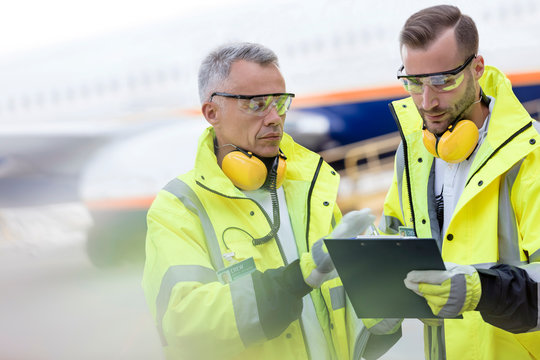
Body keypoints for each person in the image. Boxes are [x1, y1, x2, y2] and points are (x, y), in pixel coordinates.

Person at [141, 42, 382, 360]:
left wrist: (384, 312)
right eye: (256, 104)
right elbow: (185, 323)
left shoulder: (309, 188)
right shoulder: (180, 207)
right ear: (212, 113)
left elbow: (343, 312)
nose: (274, 118)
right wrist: (297, 279)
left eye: (280, 103)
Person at [372, 5, 540, 360]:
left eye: (443, 80)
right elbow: (394, 249)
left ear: (477, 68)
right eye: (414, 83)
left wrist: (481, 290)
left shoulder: (531, 155)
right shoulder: (413, 156)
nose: (427, 102)